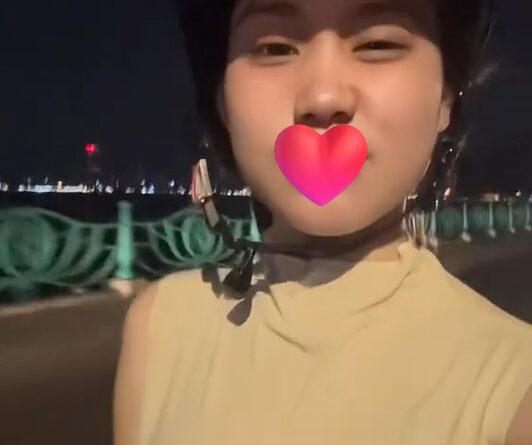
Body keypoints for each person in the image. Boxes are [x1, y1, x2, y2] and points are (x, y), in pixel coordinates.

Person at [113, 0, 532, 444]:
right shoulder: (159, 329)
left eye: (378, 44)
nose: (323, 98)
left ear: (445, 96)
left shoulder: (514, 389)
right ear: (222, 101)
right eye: (274, 48)